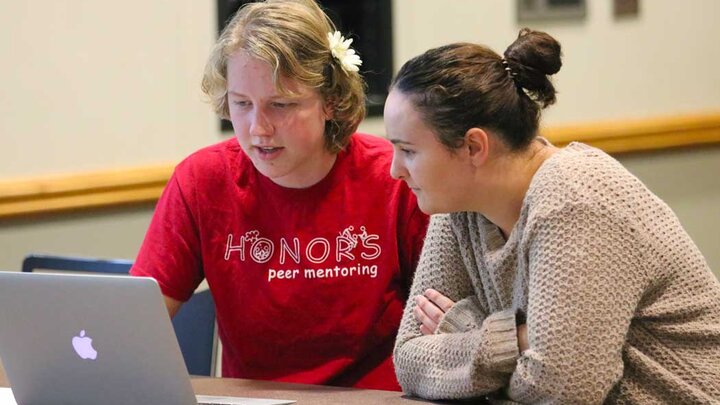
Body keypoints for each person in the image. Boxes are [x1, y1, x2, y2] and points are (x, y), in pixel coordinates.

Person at [385, 28, 720, 403]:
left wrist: (466, 328)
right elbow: (410, 361)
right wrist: (521, 338)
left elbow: (561, 392)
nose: (395, 170)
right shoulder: (460, 203)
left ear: (473, 147)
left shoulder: (576, 196)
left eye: (409, 151)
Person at [130, 0, 428, 390]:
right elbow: (136, 322)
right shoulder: (202, 181)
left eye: (281, 105)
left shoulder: (395, 178)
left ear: (331, 101)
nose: (258, 128)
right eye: (241, 104)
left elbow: (445, 327)